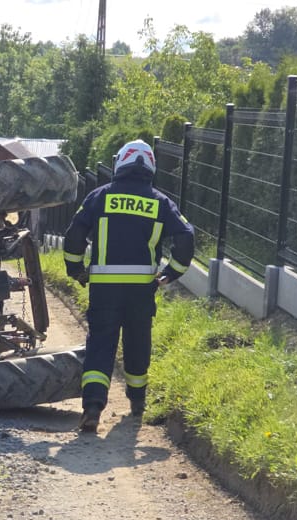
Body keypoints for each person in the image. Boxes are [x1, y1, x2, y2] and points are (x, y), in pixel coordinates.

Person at [63, 139, 195, 433]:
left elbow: (74, 236)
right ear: (151, 167)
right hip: (141, 291)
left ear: (119, 162)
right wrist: (170, 274)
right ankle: (137, 401)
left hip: (104, 289)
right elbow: (186, 237)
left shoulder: (99, 196)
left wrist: (76, 270)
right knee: (137, 342)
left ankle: (93, 407)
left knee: (101, 343)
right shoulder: (161, 202)